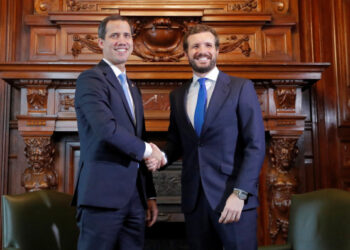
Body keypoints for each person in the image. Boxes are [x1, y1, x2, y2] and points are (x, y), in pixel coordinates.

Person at [146, 24, 265, 250]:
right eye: (196, 46)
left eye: (208, 45)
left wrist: (240, 194)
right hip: (195, 203)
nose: (202, 50)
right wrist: (159, 156)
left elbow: (255, 145)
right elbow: (176, 143)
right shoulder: (178, 96)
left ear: (217, 51)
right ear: (186, 53)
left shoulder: (241, 88)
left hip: (233, 200)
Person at [72, 14, 163, 250]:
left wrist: (149, 195)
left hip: (135, 199)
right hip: (102, 198)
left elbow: (138, 138)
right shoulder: (90, 79)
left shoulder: (132, 87)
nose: (122, 41)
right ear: (101, 42)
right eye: (114, 35)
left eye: (126, 35)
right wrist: (148, 150)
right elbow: (106, 130)